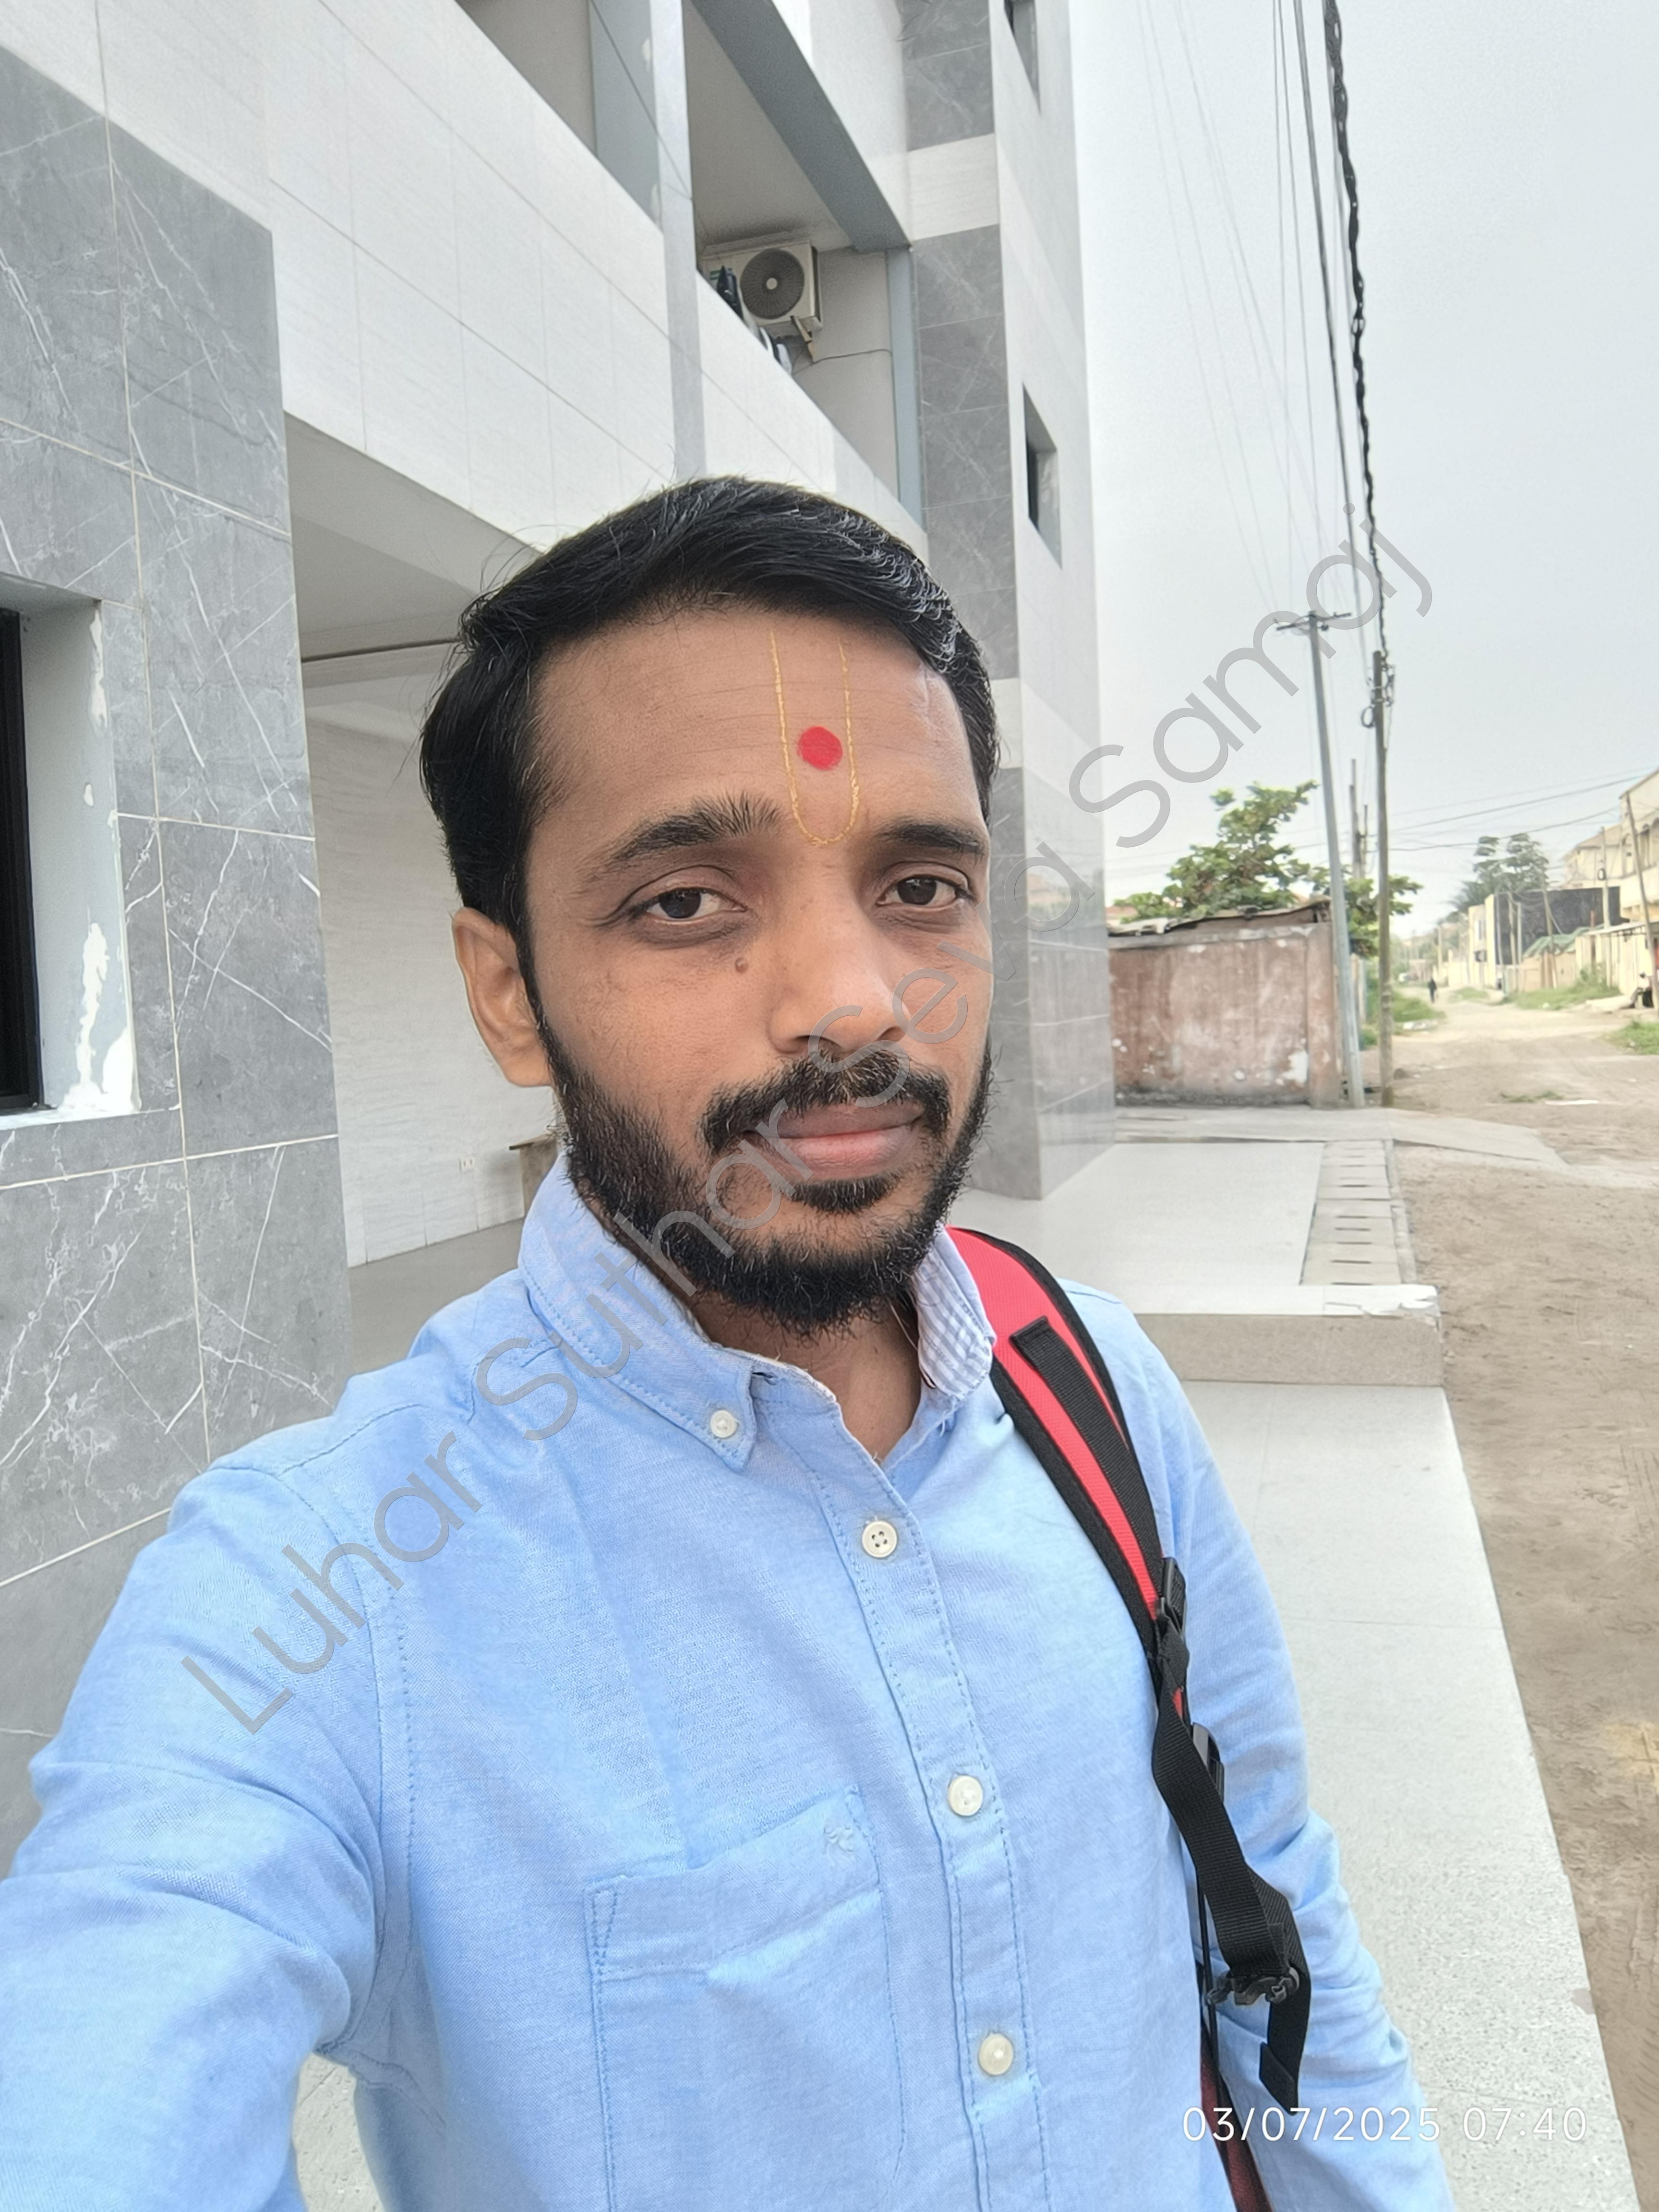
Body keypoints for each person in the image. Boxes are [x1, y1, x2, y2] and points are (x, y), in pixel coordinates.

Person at [0, 481, 1450, 2210]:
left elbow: (1278, 1919)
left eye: (921, 883)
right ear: (509, 991)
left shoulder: (1099, 1387)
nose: (856, 1001)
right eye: (686, 900)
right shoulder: (318, 1589)